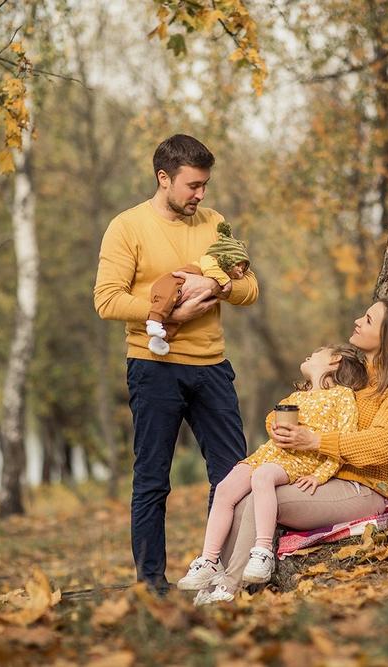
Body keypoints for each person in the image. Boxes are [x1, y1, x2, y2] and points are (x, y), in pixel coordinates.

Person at [94, 134, 259, 593]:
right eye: (192, 185)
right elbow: (107, 300)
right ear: (163, 178)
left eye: (205, 185)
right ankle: (153, 584)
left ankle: (220, 575)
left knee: (232, 476)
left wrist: (217, 288)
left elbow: (250, 289)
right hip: (154, 366)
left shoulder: (216, 224)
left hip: (212, 367)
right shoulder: (126, 227)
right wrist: (166, 308)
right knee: (153, 479)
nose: (200, 195)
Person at [192, 296, 388, 604]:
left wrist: (315, 441)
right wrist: (280, 427)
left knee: (257, 500)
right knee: (240, 493)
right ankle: (213, 574)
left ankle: (229, 592)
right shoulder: (349, 377)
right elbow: (308, 409)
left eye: (368, 320)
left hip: (363, 489)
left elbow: (381, 446)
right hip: (321, 475)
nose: (357, 321)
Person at [176, 344, 368, 591]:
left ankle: (262, 551)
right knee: (225, 488)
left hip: (303, 460)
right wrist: (275, 429)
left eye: (318, 351)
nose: (309, 354)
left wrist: (320, 476)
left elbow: (344, 439)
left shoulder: (342, 396)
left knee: (264, 477)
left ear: (335, 360)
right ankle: (209, 560)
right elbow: (272, 420)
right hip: (269, 453)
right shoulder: (297, 396)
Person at [145, 222, 251, 355]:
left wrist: (215, 286)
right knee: (166, 300)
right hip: (173, 284)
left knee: (174, 323)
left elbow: (251, 287)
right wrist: (225, 282)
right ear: (226, 258)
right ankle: (154, 320)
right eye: (239, 265)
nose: (241, 271)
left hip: (210, 358)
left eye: (244, 268)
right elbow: (209, 267)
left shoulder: (215, 219)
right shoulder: (211, 260)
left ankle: (160, 339)